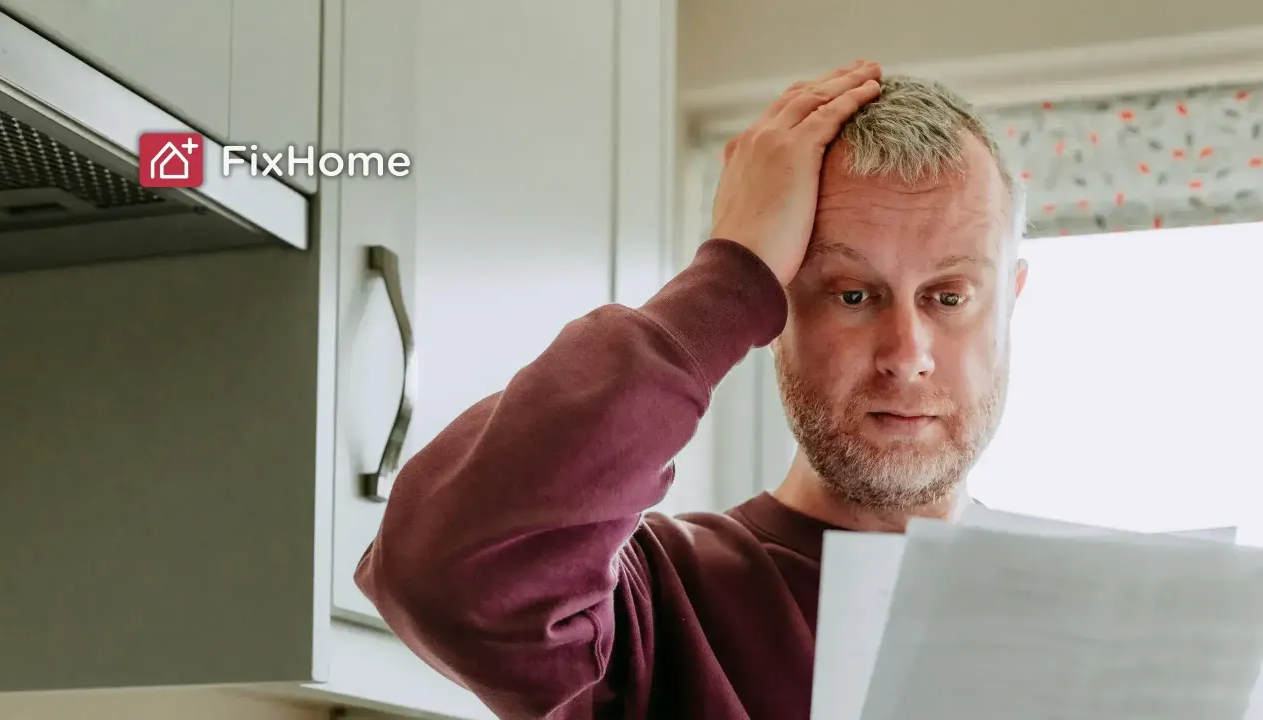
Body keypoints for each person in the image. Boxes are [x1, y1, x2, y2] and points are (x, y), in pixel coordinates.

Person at [355, 59, 1030, 719]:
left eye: (949, 296)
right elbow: (446, 572)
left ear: (1012, 301)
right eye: (851, 294)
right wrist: (731, 276)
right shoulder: (653, 611)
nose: (906, 355)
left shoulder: (1094, 619)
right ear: (774, 307)